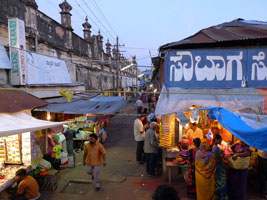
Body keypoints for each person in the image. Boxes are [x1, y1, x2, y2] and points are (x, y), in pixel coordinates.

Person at [212, 134, 228, 200]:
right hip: (219, 166)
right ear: (217, 139)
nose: (221, 141)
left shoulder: (213, 147)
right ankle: (222, 197)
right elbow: (218, 158)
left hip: (216, 166)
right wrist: (223, 155)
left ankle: (217, 196)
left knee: (217, 182)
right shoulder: (216, 148)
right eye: (220, 140)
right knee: (221, 182)